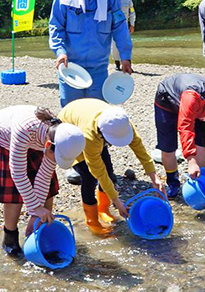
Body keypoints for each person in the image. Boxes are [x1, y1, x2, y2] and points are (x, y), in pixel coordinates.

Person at [0, 106, 85, 256]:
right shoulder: (25, 130)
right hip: (2, 138)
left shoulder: (62, 135)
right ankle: (10, 237)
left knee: (49, 187)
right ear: (48, 146)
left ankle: (40, 231)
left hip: (35, 141)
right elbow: (18, 173)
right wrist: (35, 208)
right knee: (15, 193)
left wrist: (36, 214)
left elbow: (44, 175)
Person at [58, 99, 163, 234]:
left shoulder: (122, 122)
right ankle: (92, 221)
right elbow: (98, 171)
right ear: (103, 136)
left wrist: (154, 177)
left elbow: (139, 148)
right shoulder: (89, 136)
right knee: (89, 178)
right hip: (70, 127)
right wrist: (117, 201)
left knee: (110, 174)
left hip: (91, 119)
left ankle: (103, 209)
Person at [49, 0, 133, 107]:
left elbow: (119, 26)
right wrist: (60, 52)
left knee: (97, 115)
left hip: (99, 68)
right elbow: (56, 26)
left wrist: (125, 56)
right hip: (71, 68)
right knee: (71, 114)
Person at [111, 0, 136, 71]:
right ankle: (117, 64)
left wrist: (132, 24)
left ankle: (128, 65)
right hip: (113, 26)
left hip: (124, 26)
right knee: (114, 47)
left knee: (126, 45)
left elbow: (132, 12)